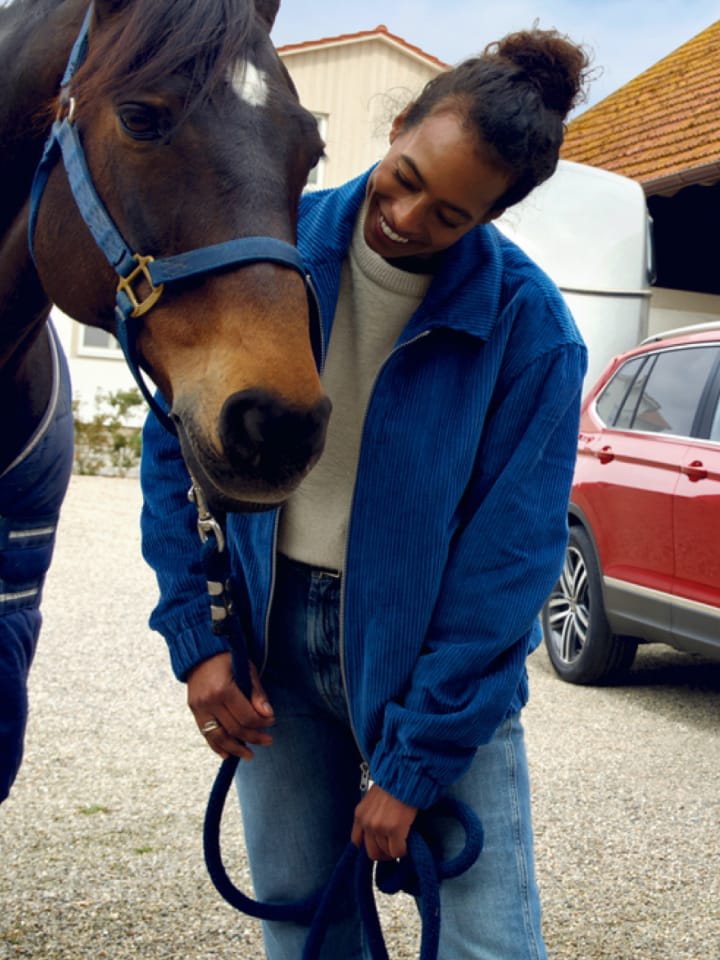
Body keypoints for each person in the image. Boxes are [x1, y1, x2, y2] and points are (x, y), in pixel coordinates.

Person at [141, 27, 590, 960]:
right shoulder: (267, 252)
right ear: (398, 125)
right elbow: (175, 442)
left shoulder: (533, 334)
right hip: (274, 657)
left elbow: (508, 564)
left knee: (491, 946)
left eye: (452, 214)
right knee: (309, 939)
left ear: (493, 216)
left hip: (438, 667)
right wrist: (198, 640)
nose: (409, 216)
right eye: (408, 173)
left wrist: (417, 761)